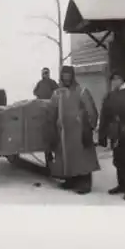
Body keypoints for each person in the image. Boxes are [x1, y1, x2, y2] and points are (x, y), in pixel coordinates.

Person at [47, 65, 100, 194]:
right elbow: (51, 111)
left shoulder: (82, 91)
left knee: (82, 157)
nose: (66, 78)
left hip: (79, 130)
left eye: (68, 75)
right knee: (67, 156)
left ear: (72, 76)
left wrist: (90, 126)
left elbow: (92, 111)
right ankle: (70, 180)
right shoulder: (57, 93)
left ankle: (85, 183)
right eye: (64, 76)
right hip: (64, 132)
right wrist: (52, 125)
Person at [97, 71, 125, 201]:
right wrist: (102, 133)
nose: (114, 81)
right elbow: (104, 114)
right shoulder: (110, 95)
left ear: (122, 80)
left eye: (117, 79)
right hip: (115, 132)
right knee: (118, 160)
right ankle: (121, 185)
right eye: (112, 79)